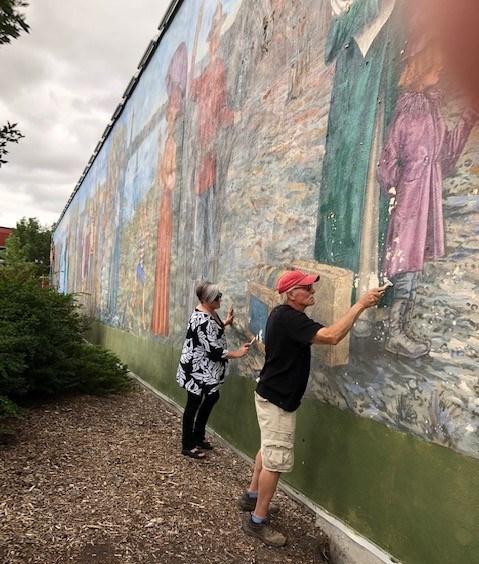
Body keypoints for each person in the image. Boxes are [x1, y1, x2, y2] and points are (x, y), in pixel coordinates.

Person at [239, 269, 386, 546]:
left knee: (269, 448)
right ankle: (257, 521)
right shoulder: (291, 319)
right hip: (278, 400)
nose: (313, 292)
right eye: (307, 288)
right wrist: (360, 305)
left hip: (270, 395)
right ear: (291, 293)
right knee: (276, 460)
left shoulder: (282, 315)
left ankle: (252, 496)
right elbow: (331, 336)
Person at [378, 37, 478, 358]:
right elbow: (388, 160)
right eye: (434, 64)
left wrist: (467, 118)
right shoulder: (407, 109)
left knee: (414, 265)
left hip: (427, 196)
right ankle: (394, 333)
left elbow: (446, 157)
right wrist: (397, 190)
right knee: (405, 263)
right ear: (422, 67)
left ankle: (400, 329)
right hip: (410, 199)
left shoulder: (433, 107)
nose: (441, 68)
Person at [177, 281, 250, 459]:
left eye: (220, 295)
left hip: (204, 369)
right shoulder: (202, 319)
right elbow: (214, 351)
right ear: (206, 299)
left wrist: (225, 322)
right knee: (193, 404)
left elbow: (211, 330)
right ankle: (188, 445)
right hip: (196, 369)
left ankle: (198, 436)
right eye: (217, 297)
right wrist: (237, 353)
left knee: (212, 397)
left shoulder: (208, 311)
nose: (220, 299)